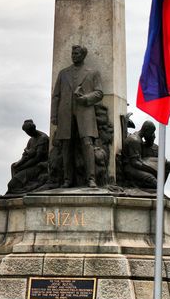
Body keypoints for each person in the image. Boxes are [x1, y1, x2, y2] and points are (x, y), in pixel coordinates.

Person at [51, 45, 103, 188]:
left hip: (85, 113)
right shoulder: (63, 73)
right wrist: (54, 115)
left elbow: (99, 93)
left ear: (83, 55)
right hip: (65, 114)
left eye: (77, 53)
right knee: (66, 146)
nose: (74, 55)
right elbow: (56, 96)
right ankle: (67, 179)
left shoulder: (92, 73)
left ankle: (91, 179)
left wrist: (85, 98)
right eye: (73, 53)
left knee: (87, 144)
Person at [7, 120, 49, 194]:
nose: (28, 134)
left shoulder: (43, 138)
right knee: (13, 166)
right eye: (26, 133)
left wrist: (23, 166)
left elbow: (37, 158)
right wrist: (19, 163)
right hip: (30, 163)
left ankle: (20, 189)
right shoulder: (31, 139)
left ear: (33, 130)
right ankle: (17, 188)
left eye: (28, 132)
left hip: (38, 166)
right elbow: (25, 153)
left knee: (11, 185)